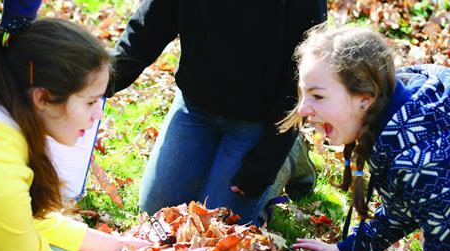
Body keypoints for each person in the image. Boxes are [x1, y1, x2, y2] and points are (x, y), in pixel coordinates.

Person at [0, 17, 206, 251]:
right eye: (90, 102)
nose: (97, 116)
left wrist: (113, 245)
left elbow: (24, 219)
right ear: (43, 97)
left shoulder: (5, 121)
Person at [282, 24, 450, 251]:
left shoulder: (419, 161)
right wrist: (352, 247)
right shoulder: (407, 93)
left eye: (318, 96)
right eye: (303, 94)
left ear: (364, 100)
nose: (303, 110)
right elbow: (409, 203)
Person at [111, 0, 326, 226]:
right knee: (156, 213)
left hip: (258, 121)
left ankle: (289, 156)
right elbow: (150, 25)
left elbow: (302, 74)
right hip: (194, 108)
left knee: (219, 226)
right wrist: (105, 79)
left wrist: (266, 161)